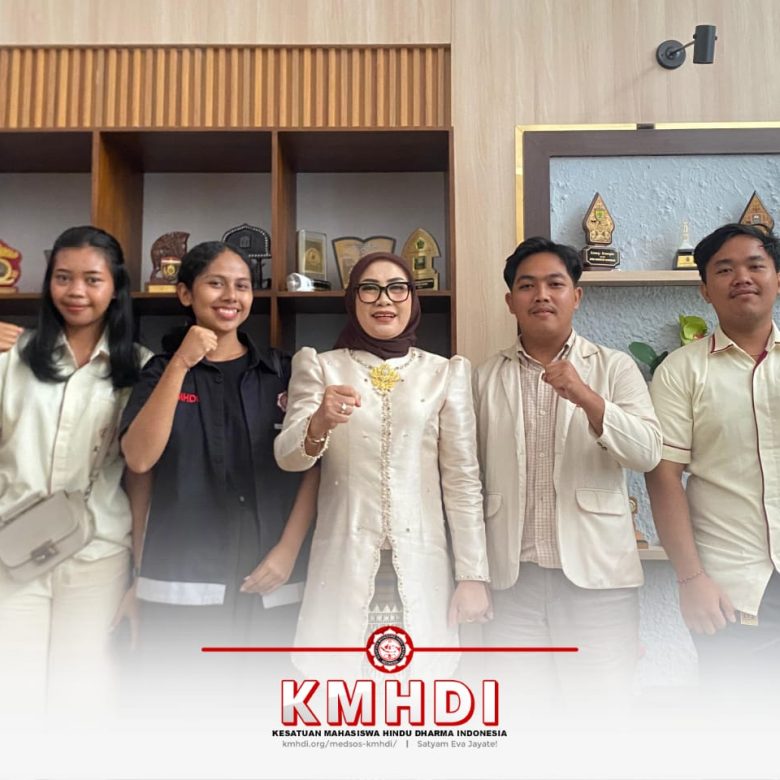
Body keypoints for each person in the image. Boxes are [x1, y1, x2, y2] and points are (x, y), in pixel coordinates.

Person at [273, 252, 490, 678]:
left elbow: (462, 480)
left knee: (414, 694)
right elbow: (288, 457)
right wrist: (319, 422)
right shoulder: (320, 366)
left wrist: (472, 576)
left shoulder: (444, 373)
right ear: (352, 299)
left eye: (397, 288)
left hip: (422, 565)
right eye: (369, 288)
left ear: (412, 297)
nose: (383, 299)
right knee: (344, 690)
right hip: (344, 563)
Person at [120, 241, 317, 704]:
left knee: (263, 711)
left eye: (242, 286)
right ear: (186, 294)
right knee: (182, 712)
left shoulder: (282, 372)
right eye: (216, 283)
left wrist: (288, 551)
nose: (231, 296)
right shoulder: (160, 371)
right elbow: (139, 460)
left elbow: (313, 466)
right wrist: (182, 362)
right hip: (181, 575)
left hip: (271, 575)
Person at [473, 236, 662, 705]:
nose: (541, 295)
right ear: (510, 301)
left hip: (598, 580)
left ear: (576, 296)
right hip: (511, 580)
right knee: (519, 715)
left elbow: (647, 453)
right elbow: (465, 478)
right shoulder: (483, 377)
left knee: (601, 715)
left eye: (555, 284)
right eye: (527, 285)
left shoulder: (614, 368)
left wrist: (587, 398)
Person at [0, 225, 150, 716]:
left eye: (92, 279)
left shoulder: (140, 369)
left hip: (97, 554)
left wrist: (139, 574)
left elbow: (140, 477)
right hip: (9, 552)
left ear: (116, 287)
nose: (76, 291)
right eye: (63, 277)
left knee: (81, 704)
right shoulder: (12, 357)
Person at [646, 223, 780, 693]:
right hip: (732, 588)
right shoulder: (681, 371)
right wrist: (691, 580)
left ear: (778, 279)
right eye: (724, 269)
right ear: (705, 289)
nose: (741, 277)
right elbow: (664, 478)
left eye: (755, 265)